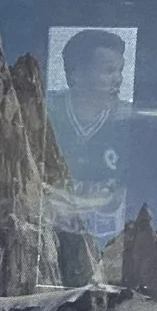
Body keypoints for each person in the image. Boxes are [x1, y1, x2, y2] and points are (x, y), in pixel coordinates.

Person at [47, 28, 131, 246]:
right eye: (108, 71)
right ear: (75, 74)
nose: (118, 79)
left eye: (120, 70)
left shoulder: (128, 121)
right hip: (48, 236)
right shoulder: (46, 113)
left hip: (106, 242)